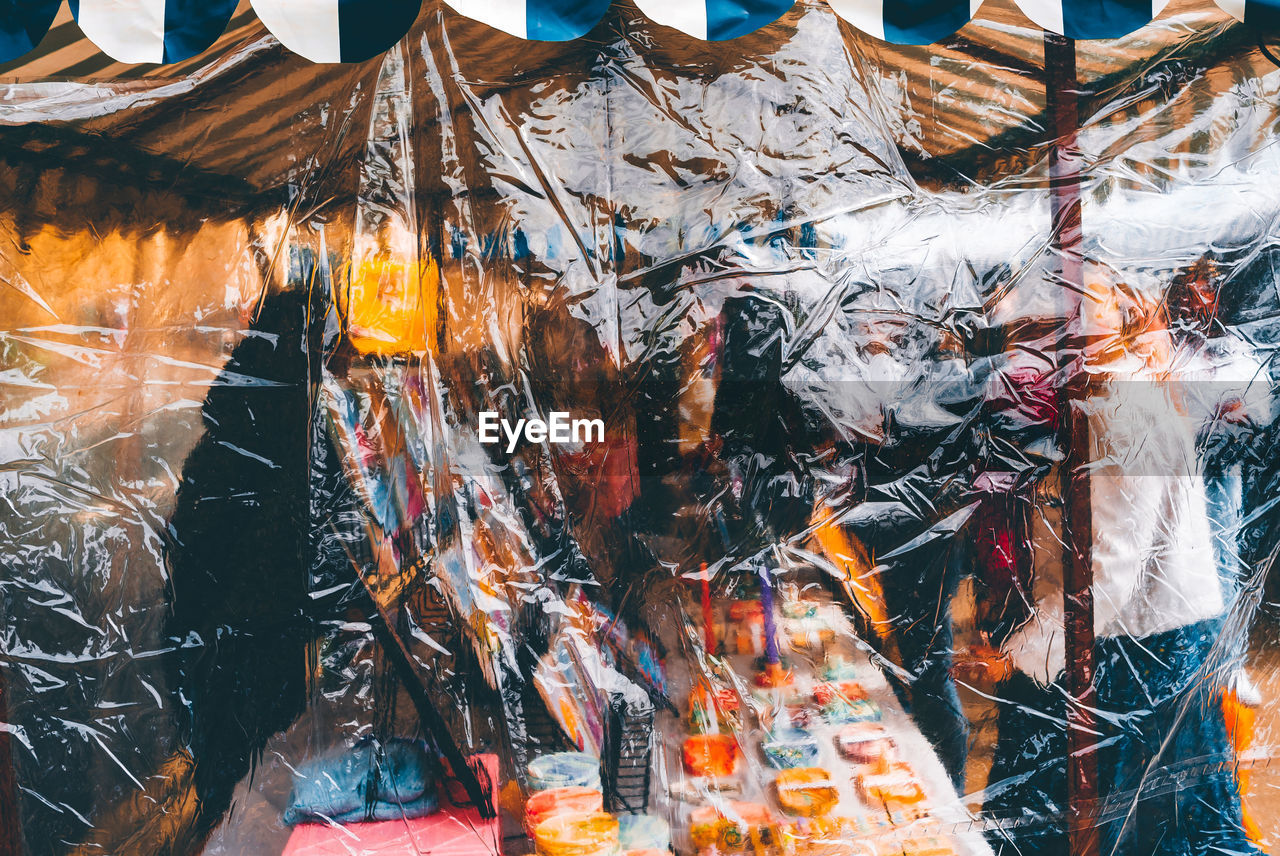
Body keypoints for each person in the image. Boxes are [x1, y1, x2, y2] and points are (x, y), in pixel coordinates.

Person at [978, 266, 1261, 856]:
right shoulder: (1123, 385)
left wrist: (1023, 658)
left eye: (1044, 330)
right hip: (1161, 635)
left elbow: (1107, 570)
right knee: (1176, 814)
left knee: (1133, 817)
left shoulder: (1116, 405)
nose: (1034, 350)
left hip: (1147, 646)